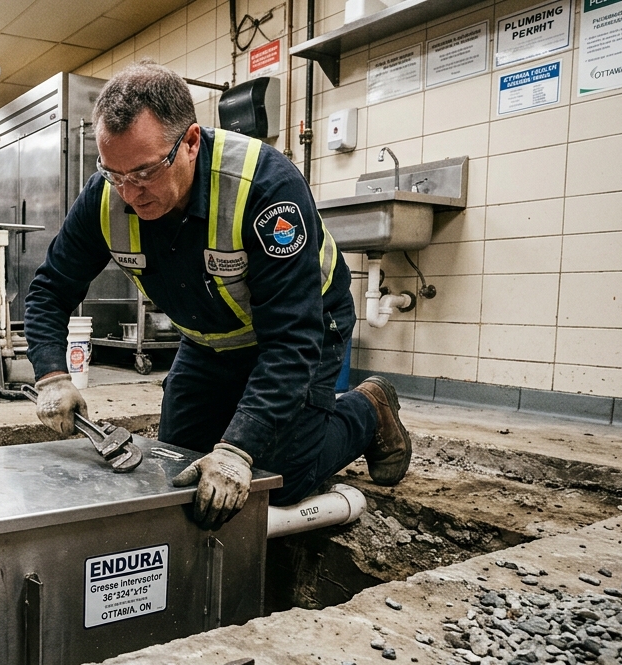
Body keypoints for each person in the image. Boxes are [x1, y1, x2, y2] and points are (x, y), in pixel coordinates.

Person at [23, 62, 411, 530]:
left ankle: (367, 409)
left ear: (189, 143)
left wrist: (237, 450)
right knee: (175, 467)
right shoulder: (105, 196)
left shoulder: (265, 188)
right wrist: (51, 375)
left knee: (276, 477)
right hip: (210, 339)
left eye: (143, 172)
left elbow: (292, 340)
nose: (128, 193)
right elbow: (50, 290)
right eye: (114, 174)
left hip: (304, 329)